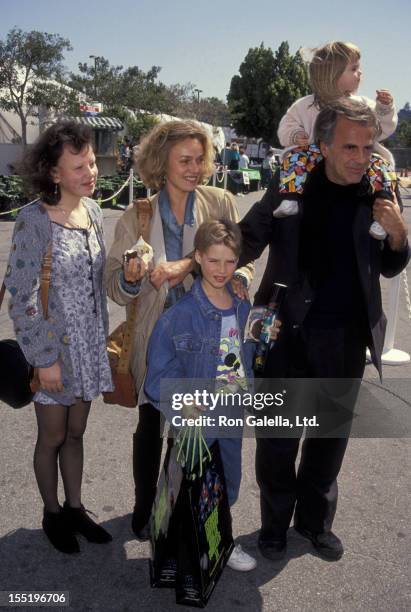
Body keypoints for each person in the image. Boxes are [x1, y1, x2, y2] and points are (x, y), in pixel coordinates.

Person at [238, 98, 410, 563]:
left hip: (345, 338)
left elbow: (392, 264)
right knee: (278, 439)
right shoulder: (293, 184)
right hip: (285, 333)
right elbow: (249, 234)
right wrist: (198, 264)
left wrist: (397, 233)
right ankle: (273, 526)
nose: (360, 156)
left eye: (367, 146)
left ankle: (314, 523)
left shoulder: (377, 189)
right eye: (349, 147)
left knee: (328, 440)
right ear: (324, 146)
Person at [105, 120, 254, 541]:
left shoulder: (221, 201)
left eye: (199, 159)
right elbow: (115, 286)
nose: (194, 168)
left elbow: (242, 258)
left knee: (197, 428)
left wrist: (236, 275)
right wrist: (134, 277)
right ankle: (143, 502)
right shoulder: (138, 214)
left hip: (211, 335)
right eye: (184, 160)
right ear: (161, 163)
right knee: (151, 419)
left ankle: (179, 509)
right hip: (158, 335)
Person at [4, 121, 113, 554]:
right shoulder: (33, 220)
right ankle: (52, 513)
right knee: (51, 436)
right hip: (51, 352)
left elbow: (95, 281)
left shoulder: (96, 212)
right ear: (53, 173)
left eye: (91, 163)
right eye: (79, 166)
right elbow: (21, 295)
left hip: (87, 348)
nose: (91, 172)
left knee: (76, 432)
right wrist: (44, 358)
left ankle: (75, 507)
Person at [144, 219, 262, 574]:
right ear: (197, 257)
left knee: (228, 484)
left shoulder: (243, 307)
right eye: (213, 261)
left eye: (230, 262)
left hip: (230, 414)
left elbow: (246, 358)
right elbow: (158, 377)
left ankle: (220, 539)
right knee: (193, 487)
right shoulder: (178, 317)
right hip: (196, 421)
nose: (222, 270)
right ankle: (190, 546)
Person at [275, 41, 398, 228]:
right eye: (354, 68)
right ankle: (291, 198)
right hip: (312, 157)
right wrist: (294, 134)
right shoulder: (305, 105)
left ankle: (382, 212)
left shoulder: (362, 104)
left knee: (381, 166)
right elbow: (286, 126)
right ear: (332, 73)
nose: (360, 73)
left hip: (355, 163)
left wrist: (383, 108)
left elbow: (383, 129)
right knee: (293, 158)